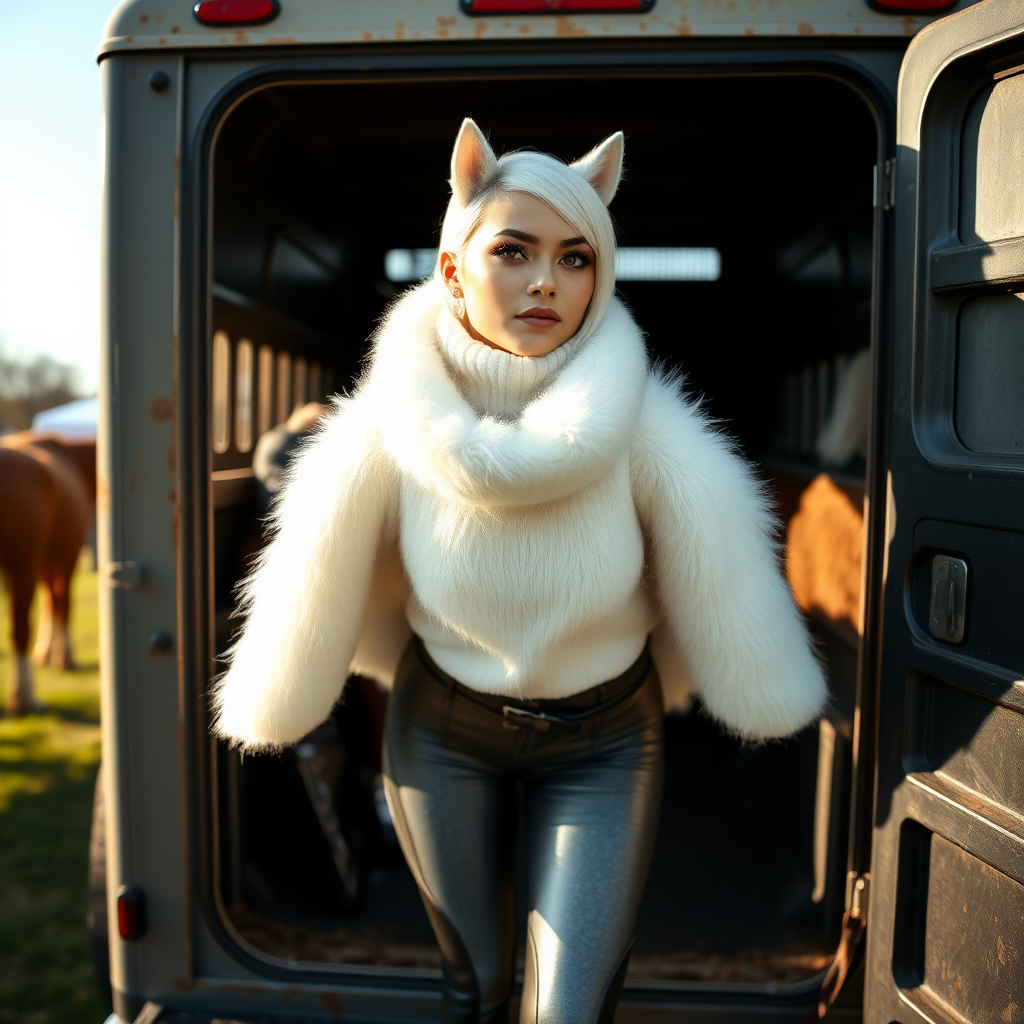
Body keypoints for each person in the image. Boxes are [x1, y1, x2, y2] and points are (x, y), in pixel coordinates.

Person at [212, 119, 826, 1024]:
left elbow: (721, 551)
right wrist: (279, 687)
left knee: (568, 1011)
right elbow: (314, 554)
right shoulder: (386, 429)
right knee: (474, 983)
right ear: (454, 268)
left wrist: (762, 677)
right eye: (514, 250)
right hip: (442, 732)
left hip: (609, 739)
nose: (547, 279)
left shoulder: (649, 430)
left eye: (577, 258)